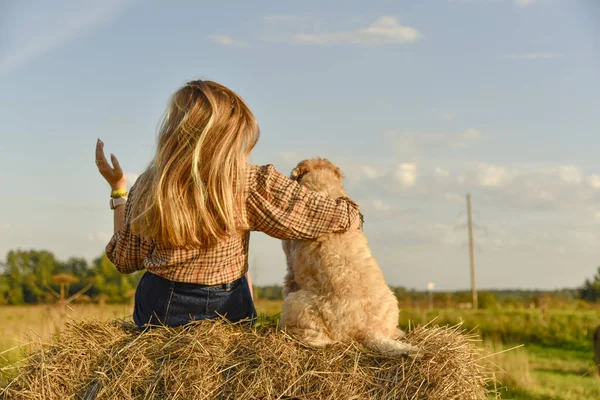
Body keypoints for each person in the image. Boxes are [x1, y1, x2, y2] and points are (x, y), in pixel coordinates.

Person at [95, 80, 361, 330]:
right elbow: (344, 216)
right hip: (228, 308)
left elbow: (123, 259)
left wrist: (118, 191)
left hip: (159, 310)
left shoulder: (149, 184)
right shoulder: (251, 181)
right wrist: (332, 187)